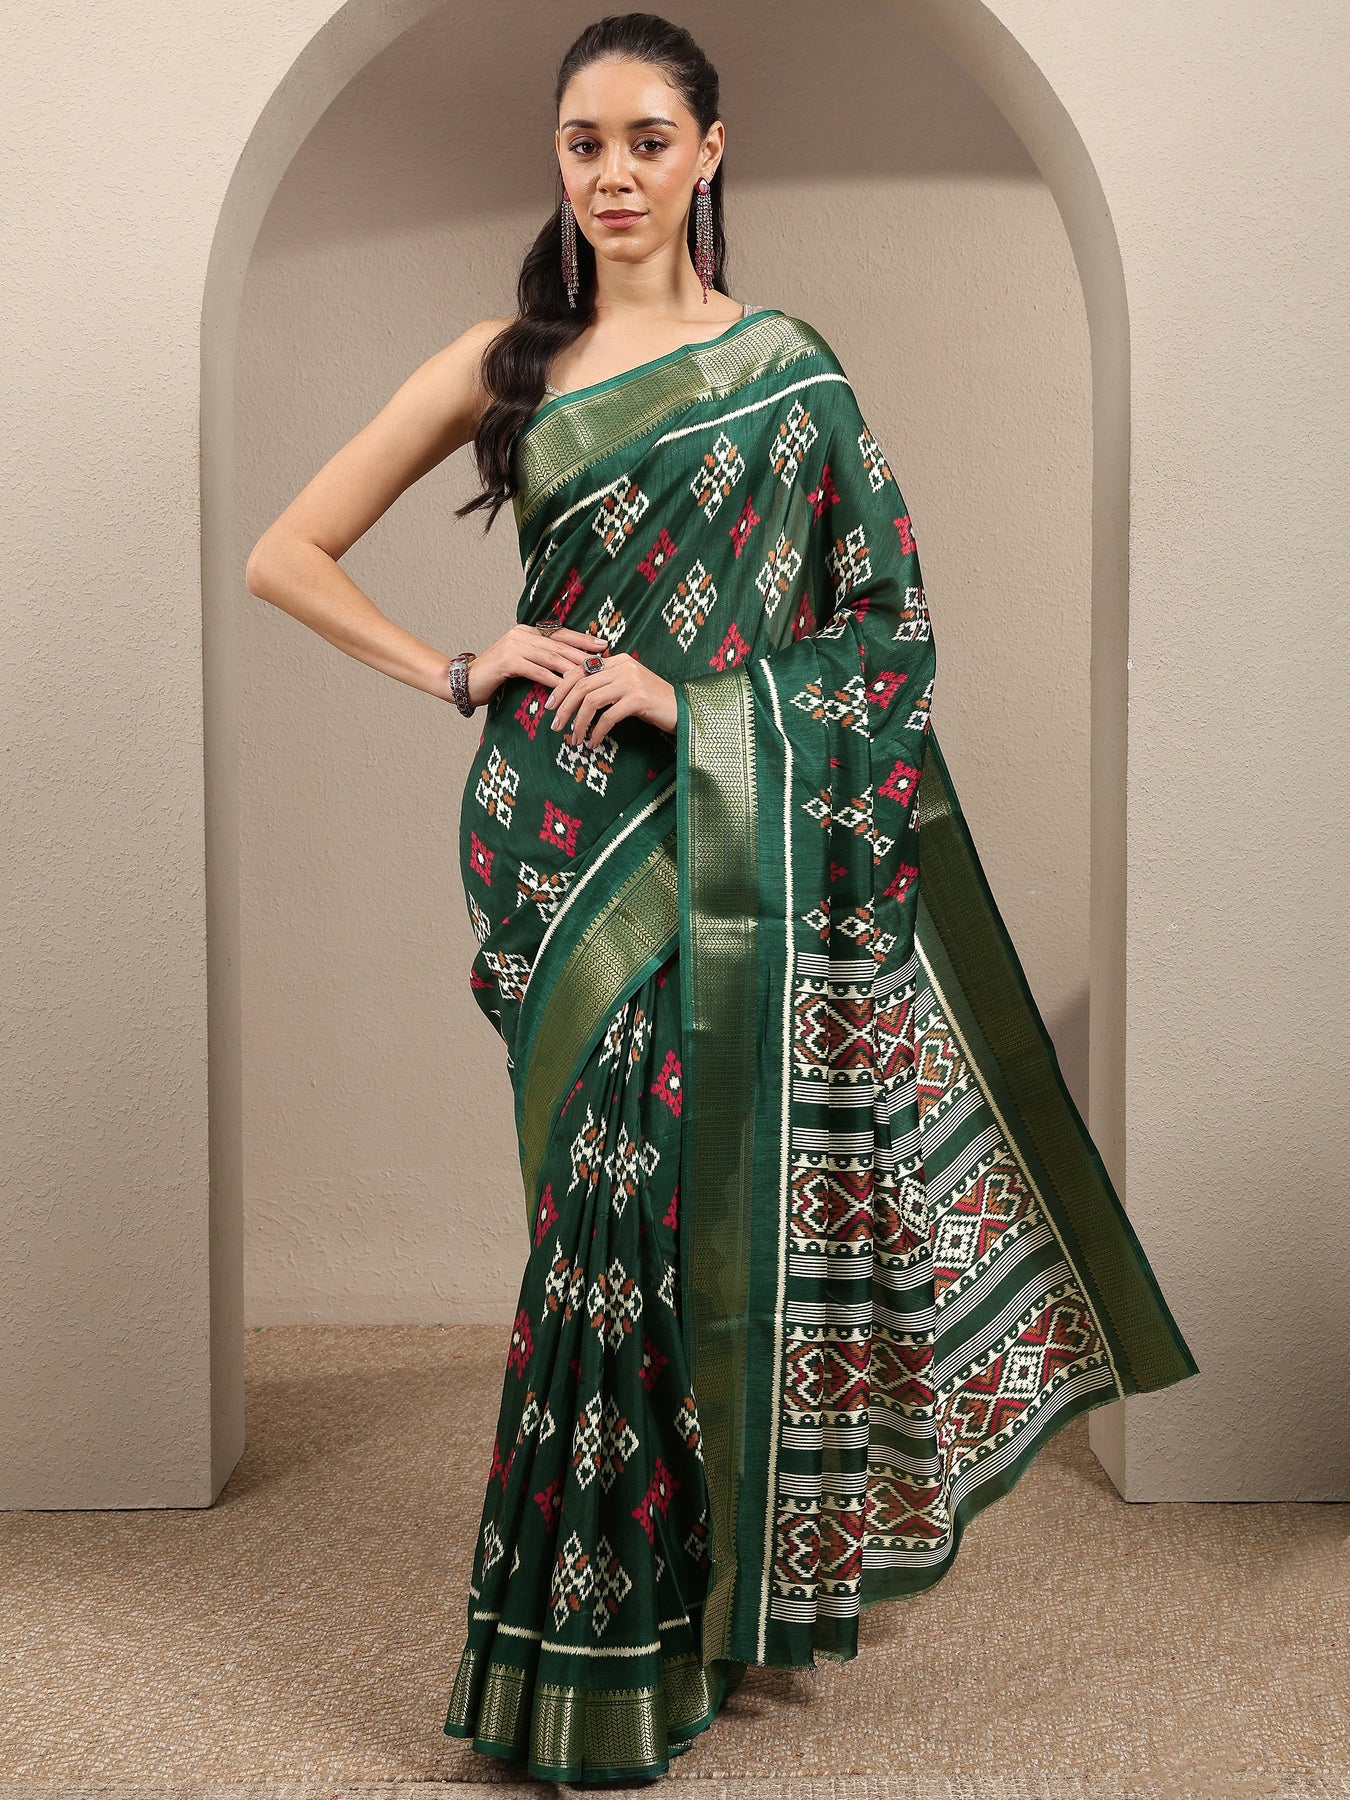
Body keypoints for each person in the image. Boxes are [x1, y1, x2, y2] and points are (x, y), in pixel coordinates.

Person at [246, 11, 1200, 1786]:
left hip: (722, 824)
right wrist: (458, 665)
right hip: (559, 842)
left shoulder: (788, 370)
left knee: (689, 1221)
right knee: (592, 1228)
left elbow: (886, 638)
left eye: (644, 139)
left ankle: (664, 1614)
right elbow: (282, 551)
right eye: (581, 143)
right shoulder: (506, 363)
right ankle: (592, 1643)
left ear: (707, 152)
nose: (610, 175)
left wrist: (697, 702)